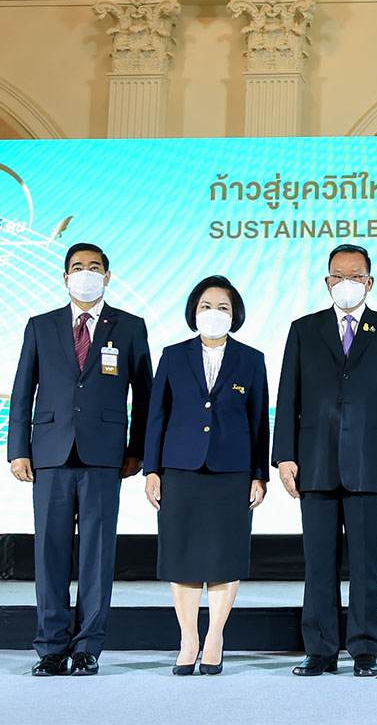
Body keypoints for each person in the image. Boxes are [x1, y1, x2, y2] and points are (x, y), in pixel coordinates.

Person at [273, 244, 377, 677]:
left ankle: (366, 648)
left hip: (373, 466)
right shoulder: (304, 329)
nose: (346, 283)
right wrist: (284, 456)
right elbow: (288, 396)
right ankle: (319, 649)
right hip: (314, 463)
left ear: (369, 282)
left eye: (355, 276)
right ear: (327, 282)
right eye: (338, 276)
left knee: (367, 564)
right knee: (318, 563)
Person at [7, 242, 152, 676]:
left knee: (97, 553)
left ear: (107, 276)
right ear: (64, 276)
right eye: (77, 267)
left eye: (94, 267)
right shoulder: (41, 325)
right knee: (49, 552)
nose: (85, 273)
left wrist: (138, 450)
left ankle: (88, 646)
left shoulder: (130, 326)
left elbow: (144, 394)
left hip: (104, 455)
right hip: (50, 452)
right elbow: (22, 390)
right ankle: (51, 647)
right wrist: (18, 449)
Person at [142, 276, 270, 676]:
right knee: (181, 556)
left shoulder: (252, 359)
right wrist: (151, 470)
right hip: (180, 469)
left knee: (224, 556)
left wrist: (259, 474)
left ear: (235, 315)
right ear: (193, 312)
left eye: (223, 307)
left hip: (232, 471)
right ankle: (188, 639)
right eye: (206, 306)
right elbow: (156, 416)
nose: (214, 313)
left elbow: (259, 421)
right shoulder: (173, 355)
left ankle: (214, 636)